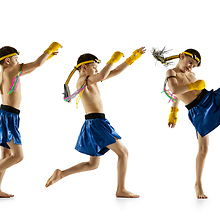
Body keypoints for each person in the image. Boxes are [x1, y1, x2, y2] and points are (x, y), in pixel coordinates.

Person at [45, 47, 146, 198]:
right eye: (94, 67)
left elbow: (115, 71)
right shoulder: (83, 80)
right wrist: (111, 60)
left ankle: (62, 174)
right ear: (84, 67)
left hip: (98, 122)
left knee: (93, 164)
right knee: (123, 153)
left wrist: (132, 58)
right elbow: (105, 73)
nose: (97, 70)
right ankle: (121, 189)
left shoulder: (91, 79)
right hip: (96, 123)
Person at [155, 48, 220, 199]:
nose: (191, 67)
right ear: (182, 56)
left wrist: (195, 85)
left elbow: (180, 93)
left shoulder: (191, 74)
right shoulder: (171, 73)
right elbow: (174, 90)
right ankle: (198, 185)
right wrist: (173, 113)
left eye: (194, 65)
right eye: (190, 62)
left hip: (210, 98)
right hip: (198, 111)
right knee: (204, 149)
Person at [0, 42, 61, 198]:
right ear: (7, 61)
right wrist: (48, 50)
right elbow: (37, 63)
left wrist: (48, 58)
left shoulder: (2, 74)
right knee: (18, 156)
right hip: (9, 117)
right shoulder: (12, 69)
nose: (18, 61)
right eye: (16, 58)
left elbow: (31, 69)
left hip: (4, 115)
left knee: (5, 155)